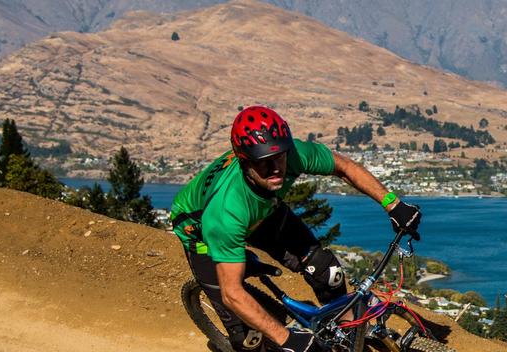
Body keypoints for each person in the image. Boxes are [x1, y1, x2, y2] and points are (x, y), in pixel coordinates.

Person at [170, 105, 421, 352]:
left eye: (280, 156)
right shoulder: (226, 211)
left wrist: (393, 204)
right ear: (245, 162)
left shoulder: (292, 155)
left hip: (263, 210)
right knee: (248, 339)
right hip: (200, 231)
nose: (277, 168)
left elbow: (343, 167)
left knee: (327, 271)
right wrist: (288, 339)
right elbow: (232, 294)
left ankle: (348, 334)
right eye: (264, 162)